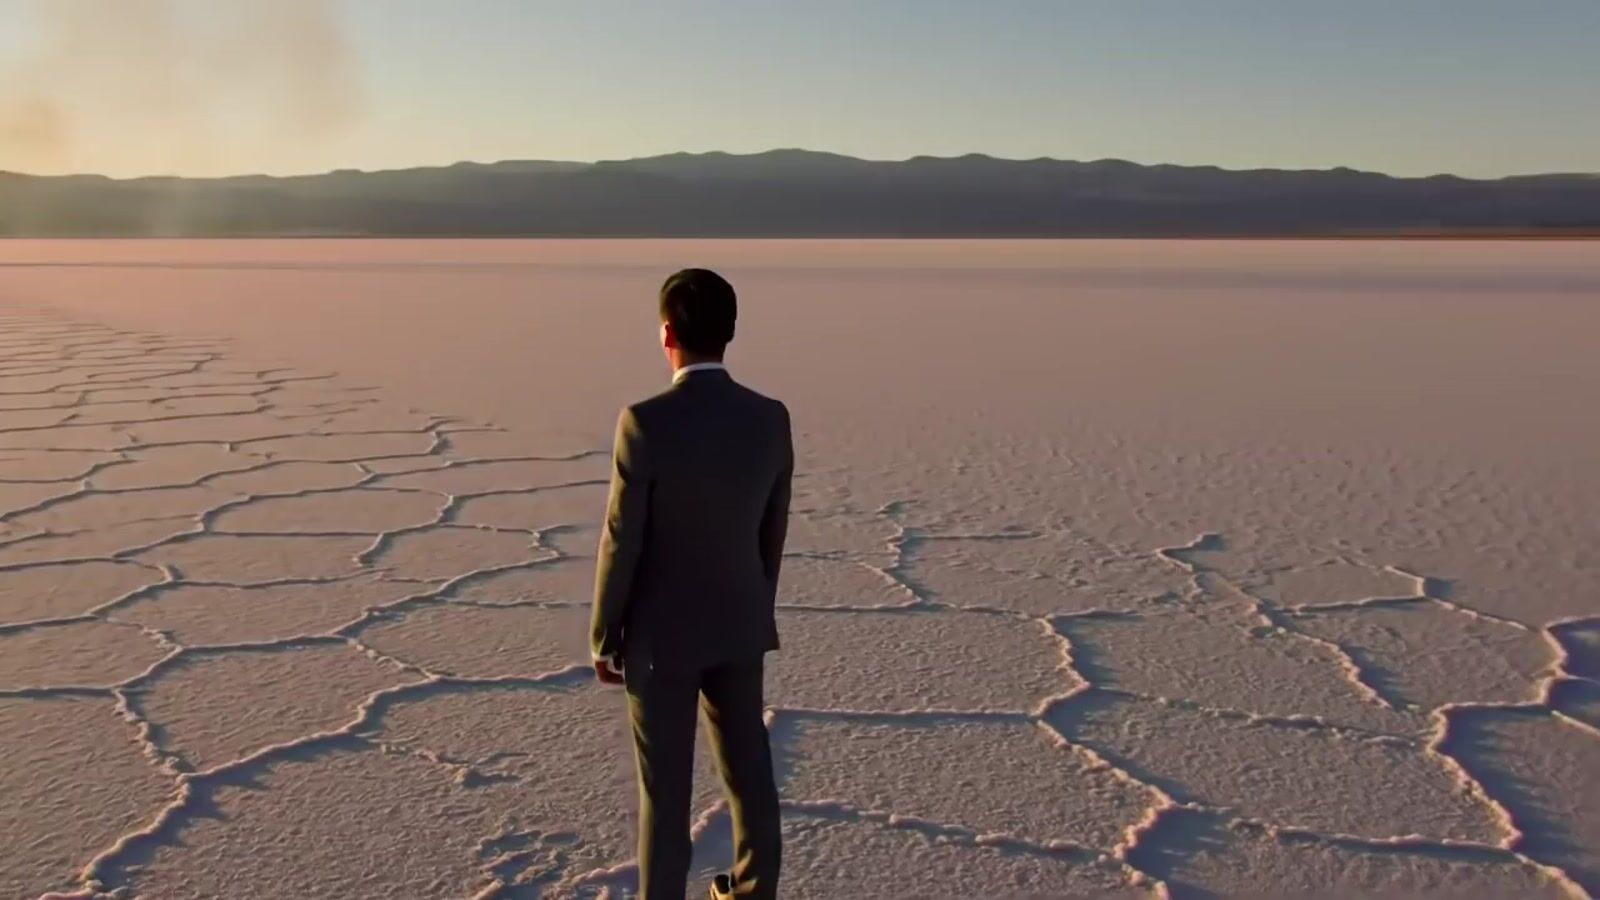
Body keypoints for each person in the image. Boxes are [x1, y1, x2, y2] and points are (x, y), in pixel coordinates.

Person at [590, 268, 792, 900]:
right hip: (738, 624)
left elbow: (622, 538)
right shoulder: (769, 418)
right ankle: (754, 891)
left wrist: (605, 633)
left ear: (666, 334)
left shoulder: (645, 423)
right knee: (750, 773)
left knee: (665, 795)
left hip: (661, 640)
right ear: (730, 331)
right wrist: (754, 608)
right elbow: (772, 531)